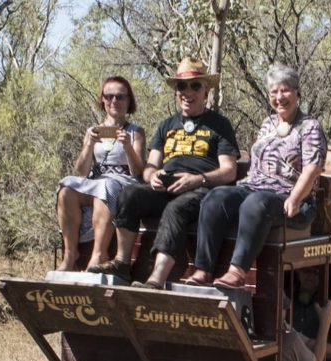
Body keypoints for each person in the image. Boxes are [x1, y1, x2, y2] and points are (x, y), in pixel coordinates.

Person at [182, 63, 326, 288]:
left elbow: (313, 167)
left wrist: (295, 199)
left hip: (291, 198)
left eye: (285, 90)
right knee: (215, 197)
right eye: (274, 92)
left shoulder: (310, 127)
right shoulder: (268, 123)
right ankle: (203, 270)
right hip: (254, 187)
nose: (279, 97)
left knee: (255, 203)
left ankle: (237, 271)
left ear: (298, 92)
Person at [108, 57, 239, 288]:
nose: (187, 92)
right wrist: (153, 176)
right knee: (129, 194)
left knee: (175, 208)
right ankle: (122, 264)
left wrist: (197, 179)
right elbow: (150, 166)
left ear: (206, 91)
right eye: (181, 86)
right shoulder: (166, 125)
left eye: (195, 85)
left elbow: (229, 171)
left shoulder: (220, 125)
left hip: (202, 191)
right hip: (166, 188)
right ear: (175, 92)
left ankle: (155, 280)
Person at [55, 76, 145, 272]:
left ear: (128, 101)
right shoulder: (93, 131)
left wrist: (127, 146)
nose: (115, 101)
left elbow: (138, 171)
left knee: (105, 188)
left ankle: (99, 254)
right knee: (66, 189)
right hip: (96, 180)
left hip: (122, 182)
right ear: (102, 100)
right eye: (110, 96)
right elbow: (82, 171)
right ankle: (71, 255)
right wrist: (89, 144)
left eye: (121, 97)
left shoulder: (135, 132)